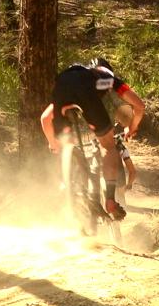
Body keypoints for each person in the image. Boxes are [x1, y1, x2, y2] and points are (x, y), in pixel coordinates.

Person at [40, 58, 144, 219]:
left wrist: (53, 143)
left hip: (61, 87)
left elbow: (45, 119)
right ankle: (110, 200)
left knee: (64, 144)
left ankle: (66, 184)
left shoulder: (70, 76)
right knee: (109, 147)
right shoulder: (106, 78)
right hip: (87, 92)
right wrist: (132, 127)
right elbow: (139, 105)